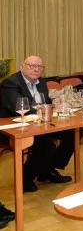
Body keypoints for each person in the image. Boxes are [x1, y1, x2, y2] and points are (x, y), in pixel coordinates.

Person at [0, 56, 74, 192]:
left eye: (40, 67)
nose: (36, 69)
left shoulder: (41, 82)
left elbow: (46, 102)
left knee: (74, 131)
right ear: (22, 67)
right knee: (46, 146)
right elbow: (20, 107)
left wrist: (55, 104)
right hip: (16, 128)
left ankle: (48, 169)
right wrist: (47, 109)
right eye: (32, 65)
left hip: (41, 125)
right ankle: (24, 179)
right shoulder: (10, 83)